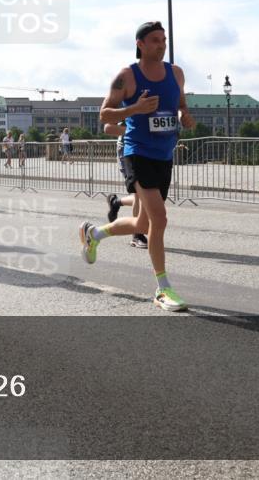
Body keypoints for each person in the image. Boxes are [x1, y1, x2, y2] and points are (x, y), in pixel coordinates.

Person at [79, 20, 195, 312]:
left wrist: (185, 116)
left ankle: (94, 234)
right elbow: (104, 114)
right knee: (160, 218)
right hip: (137, 152)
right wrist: (133, 110)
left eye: (164, 39)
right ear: (140, 44)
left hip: (163, 154)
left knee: (143, 224)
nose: (162, 44)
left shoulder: (176, 73)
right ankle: (163, 288)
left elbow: (180, 104)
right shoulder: (127, 76)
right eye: (155, 40)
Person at [104, 121, 147, 248]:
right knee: (139, 193)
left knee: (145, 193)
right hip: (128, 148)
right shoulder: (132, 101)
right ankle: (136, 234)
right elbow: (109, 126)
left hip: (145, 148)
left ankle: (115, 202)